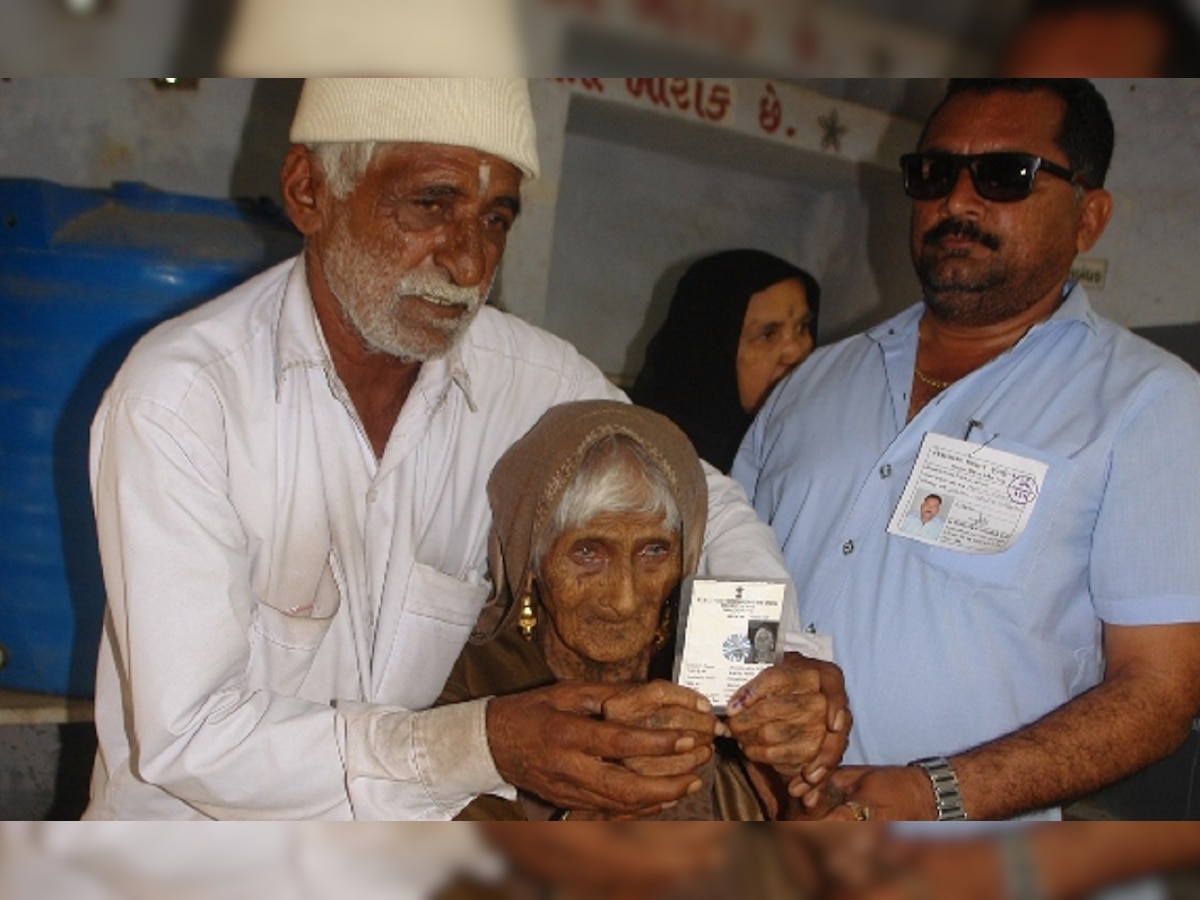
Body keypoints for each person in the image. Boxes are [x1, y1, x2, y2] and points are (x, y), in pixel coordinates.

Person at [85, 78, 847, 820]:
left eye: (495, 219)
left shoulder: (526, 379)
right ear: (310, 192)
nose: (469, 264)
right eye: (431, 204)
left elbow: (700, 502)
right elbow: (189, 740)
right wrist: (484, 743)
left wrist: (776, 667)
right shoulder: (185, 400)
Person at [733, 78, 1200, 820]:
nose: (957, 200)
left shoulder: (1147, 405)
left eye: (1005, 176)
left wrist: (931, 792)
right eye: (934, 173)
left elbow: (1160, 694)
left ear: (1090, 215)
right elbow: (732, 588)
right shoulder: (815, 382)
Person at [439, 399, 827, 820]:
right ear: (529, 560)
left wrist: (793, 775)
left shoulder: (719, 671)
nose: (624, 598)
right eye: (588, 552)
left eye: (654, 551)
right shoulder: (465, 686)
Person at [630, 249, 821, 473]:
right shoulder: (644, 464)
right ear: (711, 354)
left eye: (803, 327)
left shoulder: (817, 443)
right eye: (768, 335)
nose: (796, 352)